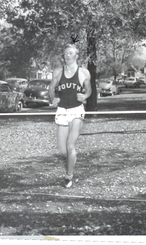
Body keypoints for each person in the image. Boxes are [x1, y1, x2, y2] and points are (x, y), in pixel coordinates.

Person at [48, 44, 91, 188]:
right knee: (62, 150)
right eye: (65, 53)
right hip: (62, 110)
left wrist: (84, 95)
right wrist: (53, 98)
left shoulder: (83, 72)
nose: (67, 55)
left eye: (70, 53)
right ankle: (70, 161)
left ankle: (69, 176)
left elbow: (89, 90)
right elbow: (51, 89)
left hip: (76, 109)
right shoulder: (58, 72)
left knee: (70, 145)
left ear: (76, 56)